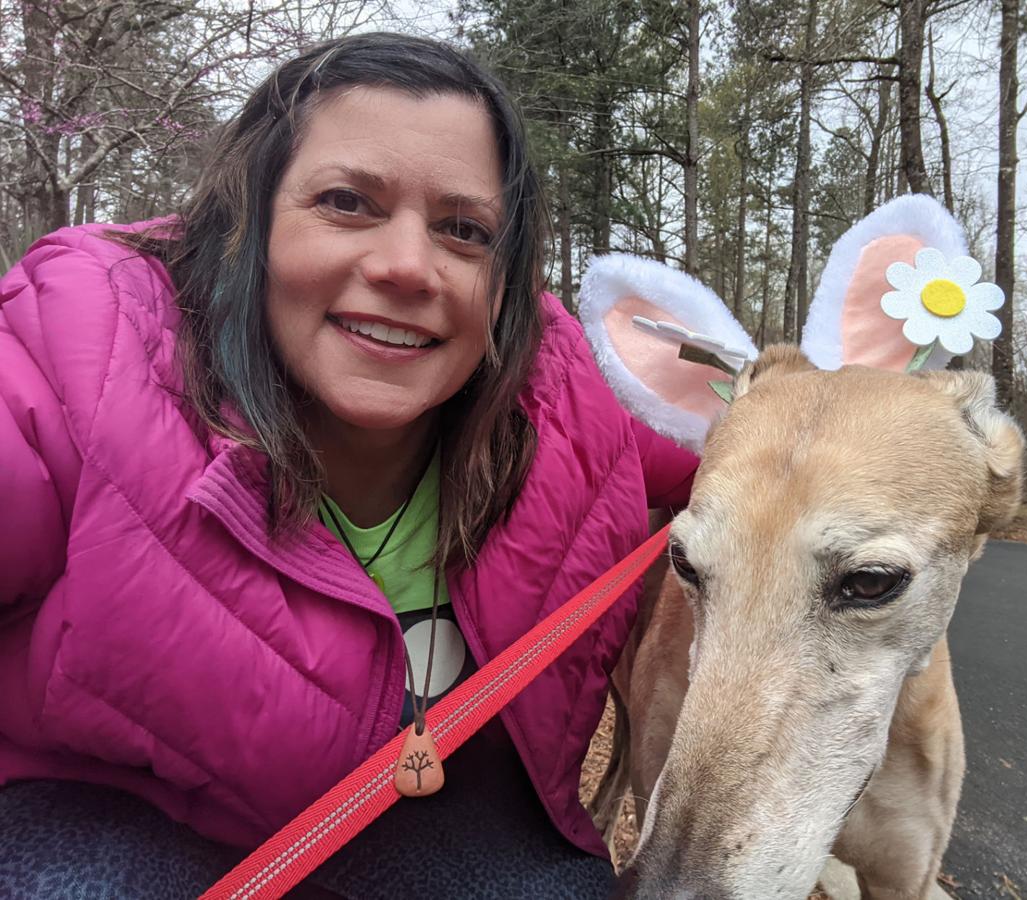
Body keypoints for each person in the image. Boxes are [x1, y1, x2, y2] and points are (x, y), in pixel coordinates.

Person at [0, 33, 696, 899]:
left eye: (464, 230)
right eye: (346, 202)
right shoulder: (73, 351)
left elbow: (754, 465)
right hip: (114, 817)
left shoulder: (565, 397)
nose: (407, 266)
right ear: (242, 226)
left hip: (442, 814)